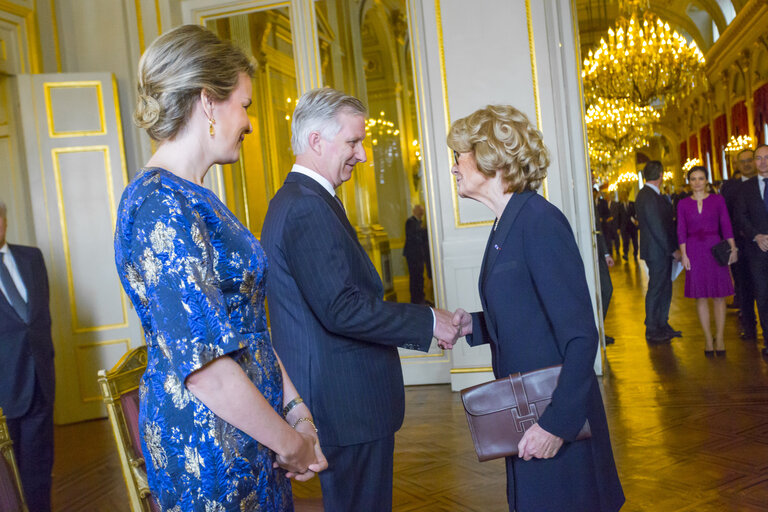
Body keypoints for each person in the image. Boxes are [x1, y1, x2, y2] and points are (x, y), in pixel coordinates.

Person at [113, 25, 326, 511]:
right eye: (244, 104)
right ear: (208, 101)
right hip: (211, 450)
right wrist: (289, 443)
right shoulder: (158, 204)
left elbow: (250, 327)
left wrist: (296, 414)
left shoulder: (199, 198)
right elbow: (204, 368)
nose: (249, 122)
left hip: (253, 433)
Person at [261, 87, 459, 512]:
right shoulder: (306, 207)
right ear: (316, 141)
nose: (363, 154)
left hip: (339, 398)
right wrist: (428, 322)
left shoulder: (302, 201)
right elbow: (341, 309)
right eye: (353, 141)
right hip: (344, 402)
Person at [448, 105, 624, 512]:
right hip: (529, 415)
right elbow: (526, 310)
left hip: (556, 420)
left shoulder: (539, 222)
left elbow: (581, 336)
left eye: (460, 154)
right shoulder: (505, 223)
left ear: (491, 157)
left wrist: (555, 426)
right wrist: (470, 325)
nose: (455, 166)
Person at [0, 200, 55, 512]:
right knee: (6, 479)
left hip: (40, 382)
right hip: (3, 391)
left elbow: (40, 318)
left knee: (39, 468)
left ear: (5, 220)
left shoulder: (31, 258)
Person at [676, 166, 737, 356]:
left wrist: (732, 248)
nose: (697, 182)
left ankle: (720, 337)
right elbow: (681, 230)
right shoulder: (683, 204)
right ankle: (708, 338)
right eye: (693, 179)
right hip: (694, 250)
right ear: (689, 181)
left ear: (706, 180)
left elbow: (726, 224)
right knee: (700, 296)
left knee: (719, 296)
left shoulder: (718, 200)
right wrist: (684, 254)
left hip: (715, 248)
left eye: (700, 178)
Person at [636, 160, 682, 344]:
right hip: (657, 251)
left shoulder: (649, 194)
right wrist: (672, 249)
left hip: (659, 250)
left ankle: (662, 323)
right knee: (656, 288)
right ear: (661, 175)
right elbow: (657, 227)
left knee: (665, 286)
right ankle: (652, 328)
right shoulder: (648, 196)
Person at [720, 149, 757, 338]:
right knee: (743, 286)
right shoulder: (730, 188)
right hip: (740, 245)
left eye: (750, 160)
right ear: (737, 165)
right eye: (742, 161)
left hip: (763, 245)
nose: (747, 164)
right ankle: (749, 327)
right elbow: (724, 216)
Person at [736, 143, 768, 358]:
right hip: (757, 251)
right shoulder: (745, 188)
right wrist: (757, 236)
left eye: (766, 157)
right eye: (758, 158)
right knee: (763, 296)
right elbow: (741, 216)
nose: (762, 161)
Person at [403, 204, 431, 304]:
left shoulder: (420, 223)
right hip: (412, 255)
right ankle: (415, 299)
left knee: (420, 277)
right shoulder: (410, 222)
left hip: (420, 255)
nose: (421, 214)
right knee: (415, 277)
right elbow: (415, 237)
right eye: (420, 212)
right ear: (415, 211)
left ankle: (421, 297)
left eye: (422, 212)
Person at [616, 191, 638, 260]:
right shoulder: (620, 206)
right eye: (623, 196)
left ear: (627, 196)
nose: (624, 197)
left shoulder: (632, 204)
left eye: (625, 195)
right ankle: (625, 254)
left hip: (632, 226)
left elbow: (636, 213)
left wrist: (636, 220)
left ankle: (635, 253)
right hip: (624, 227)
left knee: (635, 241)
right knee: (625, 241)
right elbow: (618, 217)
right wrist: (618, 228)